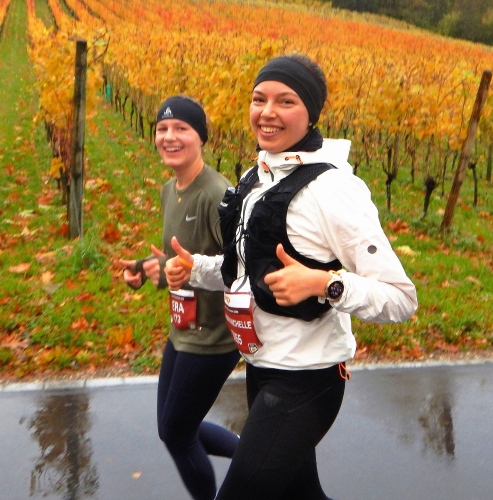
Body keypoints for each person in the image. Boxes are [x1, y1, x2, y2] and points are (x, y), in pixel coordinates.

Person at [164, 54, 418, 499]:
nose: (267, 112)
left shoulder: (332, 189)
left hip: (307, 380)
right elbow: (246, 272)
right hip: (261, 367)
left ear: (310, 113)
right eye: (258, 99)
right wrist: (196, 268)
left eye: (286, 101)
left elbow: (401, 298)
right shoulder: (256, 176)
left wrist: (325, 284)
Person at [118, 95, 241, 500]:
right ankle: (257, 455)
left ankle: (253, 465)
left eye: (181, 128)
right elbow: (181, 259)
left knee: (176, 432)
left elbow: (241, 269)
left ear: (201, 137)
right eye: (162, 129)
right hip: (184, 328)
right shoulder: (169, 191)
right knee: (171, 428)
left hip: (214, 338)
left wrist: (182, 269)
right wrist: (148, 270)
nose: (169, 136)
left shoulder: (217, 195)